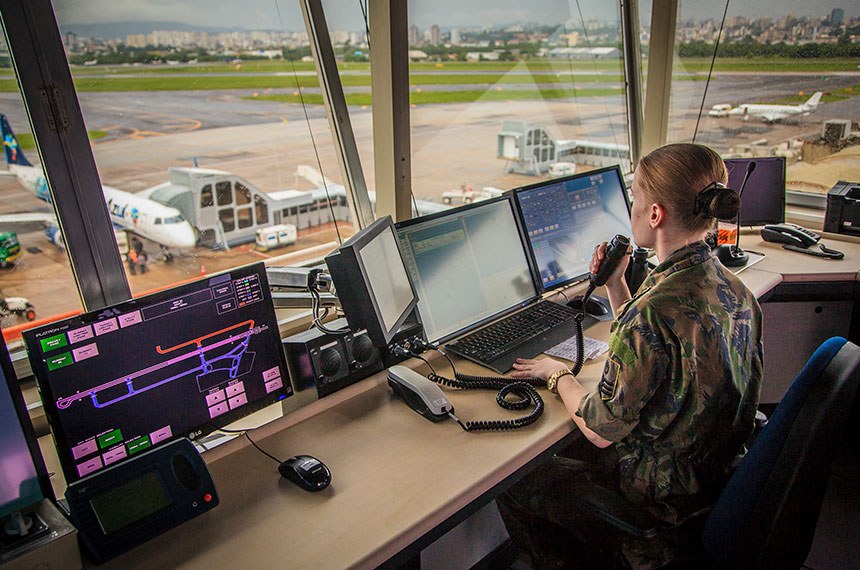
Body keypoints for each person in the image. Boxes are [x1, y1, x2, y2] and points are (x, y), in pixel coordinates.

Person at [498, 143, 763, 569]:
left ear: (655, 214)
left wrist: (556, 375)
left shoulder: (653, 311)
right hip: (715, 478)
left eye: (636, 199)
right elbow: (657, 347)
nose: (632, 209)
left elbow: (601, 431)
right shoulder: (736, 291)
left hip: (662, 505)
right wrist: (616, 284)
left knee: (517, 479)